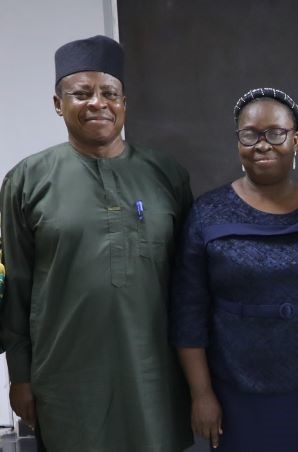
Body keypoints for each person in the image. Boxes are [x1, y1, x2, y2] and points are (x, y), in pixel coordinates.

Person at [0, 35, 193, 451]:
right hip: (67, 376)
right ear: (57, 103)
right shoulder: (26, 180)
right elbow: (16, 285)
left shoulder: (166, 174)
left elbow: (188, 282)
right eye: (81, 93)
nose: (97, 103)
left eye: (109, 93)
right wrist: (19, 376)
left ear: (125, 102)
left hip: (154, 373)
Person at [170, 87, 298, 451]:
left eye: (275, 133)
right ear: (237, 141)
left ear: (296, 140)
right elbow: (187, 313)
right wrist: (202, 394)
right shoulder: (206, 213)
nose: (262, 144)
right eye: (250, 134)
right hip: (233, 393)